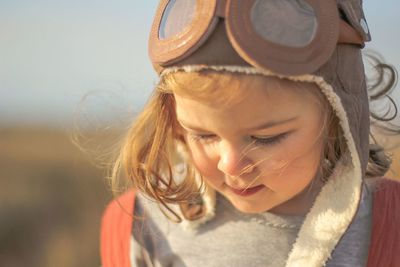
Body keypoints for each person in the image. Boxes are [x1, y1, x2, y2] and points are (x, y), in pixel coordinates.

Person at [100, 1, 400, 266]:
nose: (230, 165)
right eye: (204, 135)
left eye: (265, 138)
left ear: (339, 116)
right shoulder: (142, 229)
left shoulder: (389, 226)